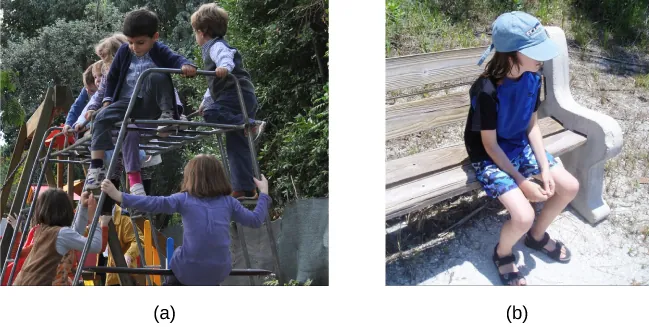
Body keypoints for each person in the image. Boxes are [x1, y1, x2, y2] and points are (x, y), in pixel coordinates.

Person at [465, 11, 579, 286]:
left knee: (569, 186)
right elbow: (489, 145)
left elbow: (532, 127)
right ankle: (502, 253)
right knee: (523, 215)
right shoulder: (487, 90)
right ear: (511, 53)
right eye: (535, 51)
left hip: (518, 145)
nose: (543, 58)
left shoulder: (532, 77)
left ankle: (536, 237)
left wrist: (544, 167)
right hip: (490, 156)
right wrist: (523, 181)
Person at [100, 154, 271, 286]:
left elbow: (154, 203)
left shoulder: (184, 199)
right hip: (218, 270)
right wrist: (263, 193)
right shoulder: (228, 202)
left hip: (188, 269)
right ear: (220, 176)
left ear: (191, 177)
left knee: (179, 261)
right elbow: (255, 220)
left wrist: (119, 196)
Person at [85, 8, 197, 196]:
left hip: (149, 103)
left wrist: (186, 65)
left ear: (155, 37)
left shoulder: (158, 50)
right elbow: (112, 78)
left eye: (140, 43)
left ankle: (167, 117)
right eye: (130, 42)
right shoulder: (124, 52)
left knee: (157, 75)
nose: (134, 47)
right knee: (100, 116)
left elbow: (174, 58)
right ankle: (96, 167)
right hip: (127, 103)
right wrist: (107, 101)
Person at [191, 3, 264, 200]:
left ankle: (249, 124)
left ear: (203, 31)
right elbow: (213, 83)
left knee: (211, 114)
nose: (195, 36)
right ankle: (245, 187)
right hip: (235, 98)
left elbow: (226, 59)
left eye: (195, 32)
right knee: (236, 146)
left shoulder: (216, 46)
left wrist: (224, 67)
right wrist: (205, 101)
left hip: (236, 96)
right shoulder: (211, 47)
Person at [12, 189, 104, 286]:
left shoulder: (43, 230)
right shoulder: (61, 233)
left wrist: (83, 207)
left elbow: (75, 233)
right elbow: (96, 246)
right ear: (66, 209)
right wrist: (94, 218)